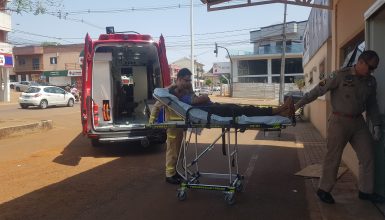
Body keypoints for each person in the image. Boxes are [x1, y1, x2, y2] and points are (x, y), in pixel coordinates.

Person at [149, 68, 295, 184]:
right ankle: (170, 175)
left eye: (189, 80)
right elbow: (164, 104)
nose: (188, 83)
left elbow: (197, 99)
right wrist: (152, 121)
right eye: (186, 80)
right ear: (179, 79)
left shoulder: (186, 89)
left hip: (192, 119)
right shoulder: (172, 92)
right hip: (184, 122)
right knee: (242, 111)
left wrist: (200, 98)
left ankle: (280, 111)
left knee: (242, 109)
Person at [294, 50, 384, 204]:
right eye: (370, 67)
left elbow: (372, 105)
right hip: (339, 121)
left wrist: (376, 124)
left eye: (374, 68)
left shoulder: (370, 81)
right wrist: (296, 105)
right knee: (333, 156)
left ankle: (365, 191)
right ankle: (324, 190)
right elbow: (317, 90)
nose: (372, 71)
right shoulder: (339, 75)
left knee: (368, 155)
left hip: (358, 123)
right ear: (361, 62)